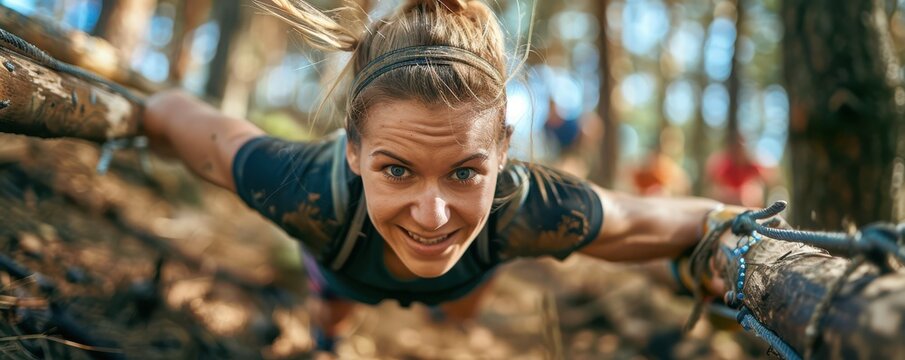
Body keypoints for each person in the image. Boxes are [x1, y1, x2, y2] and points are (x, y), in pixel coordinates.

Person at [143, 0, 730, 353]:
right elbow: (174, 114)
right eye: (396, 169)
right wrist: (129, 111)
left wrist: (734, 237)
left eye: (464, 173)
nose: (433, 214)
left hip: (465, 277)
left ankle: (449, 297)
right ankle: (328, 338)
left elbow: (670, 218)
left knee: (459, 311)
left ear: (503, 153)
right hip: (345, 259)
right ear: (352, 151)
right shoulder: (303, 188)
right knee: (334, 311)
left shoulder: (527, 208)